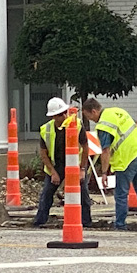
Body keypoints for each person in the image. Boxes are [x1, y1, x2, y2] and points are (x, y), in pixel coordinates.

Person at [82, 97, 137, 232]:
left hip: (127, 159)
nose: (88, 119)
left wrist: (104, 173)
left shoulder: (103, 125)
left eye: (87, 116)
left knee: (121, 194)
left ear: (93, 111)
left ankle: (120, 225)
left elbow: (105, 151)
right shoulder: (117, 111)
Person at [33, 97, 92, 227]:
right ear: (53, 116)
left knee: (83, 193)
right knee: (47, 193)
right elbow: (43, 153)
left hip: (75, 165)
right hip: (56, 165)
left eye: (65, 112)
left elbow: (85, 147)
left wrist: (82, 169)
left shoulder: (76, 125)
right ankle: (40, 221)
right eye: (60, 114)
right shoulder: (46, 129)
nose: (65, 115)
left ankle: (86, 222)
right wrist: (53, 172)